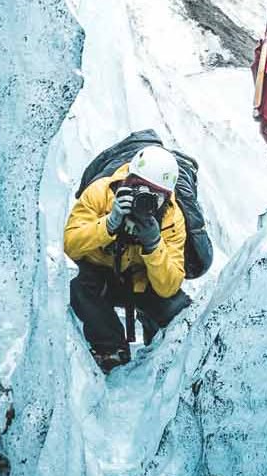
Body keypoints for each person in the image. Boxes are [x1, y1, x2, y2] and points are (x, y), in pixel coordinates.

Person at [63, 142, 191, 372]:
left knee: (179, 306)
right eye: (138, 187)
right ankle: (110, 348)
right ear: (127, 180)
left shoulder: (172, 218)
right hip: (103, 277)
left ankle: (166, 350)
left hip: (142, 283)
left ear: (166, 197)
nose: (145, 199)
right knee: (80, 287)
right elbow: (71, 244)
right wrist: (108, 225)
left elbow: (169, 286)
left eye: (155, 195)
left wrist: (154, 244)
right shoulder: (100, 193)